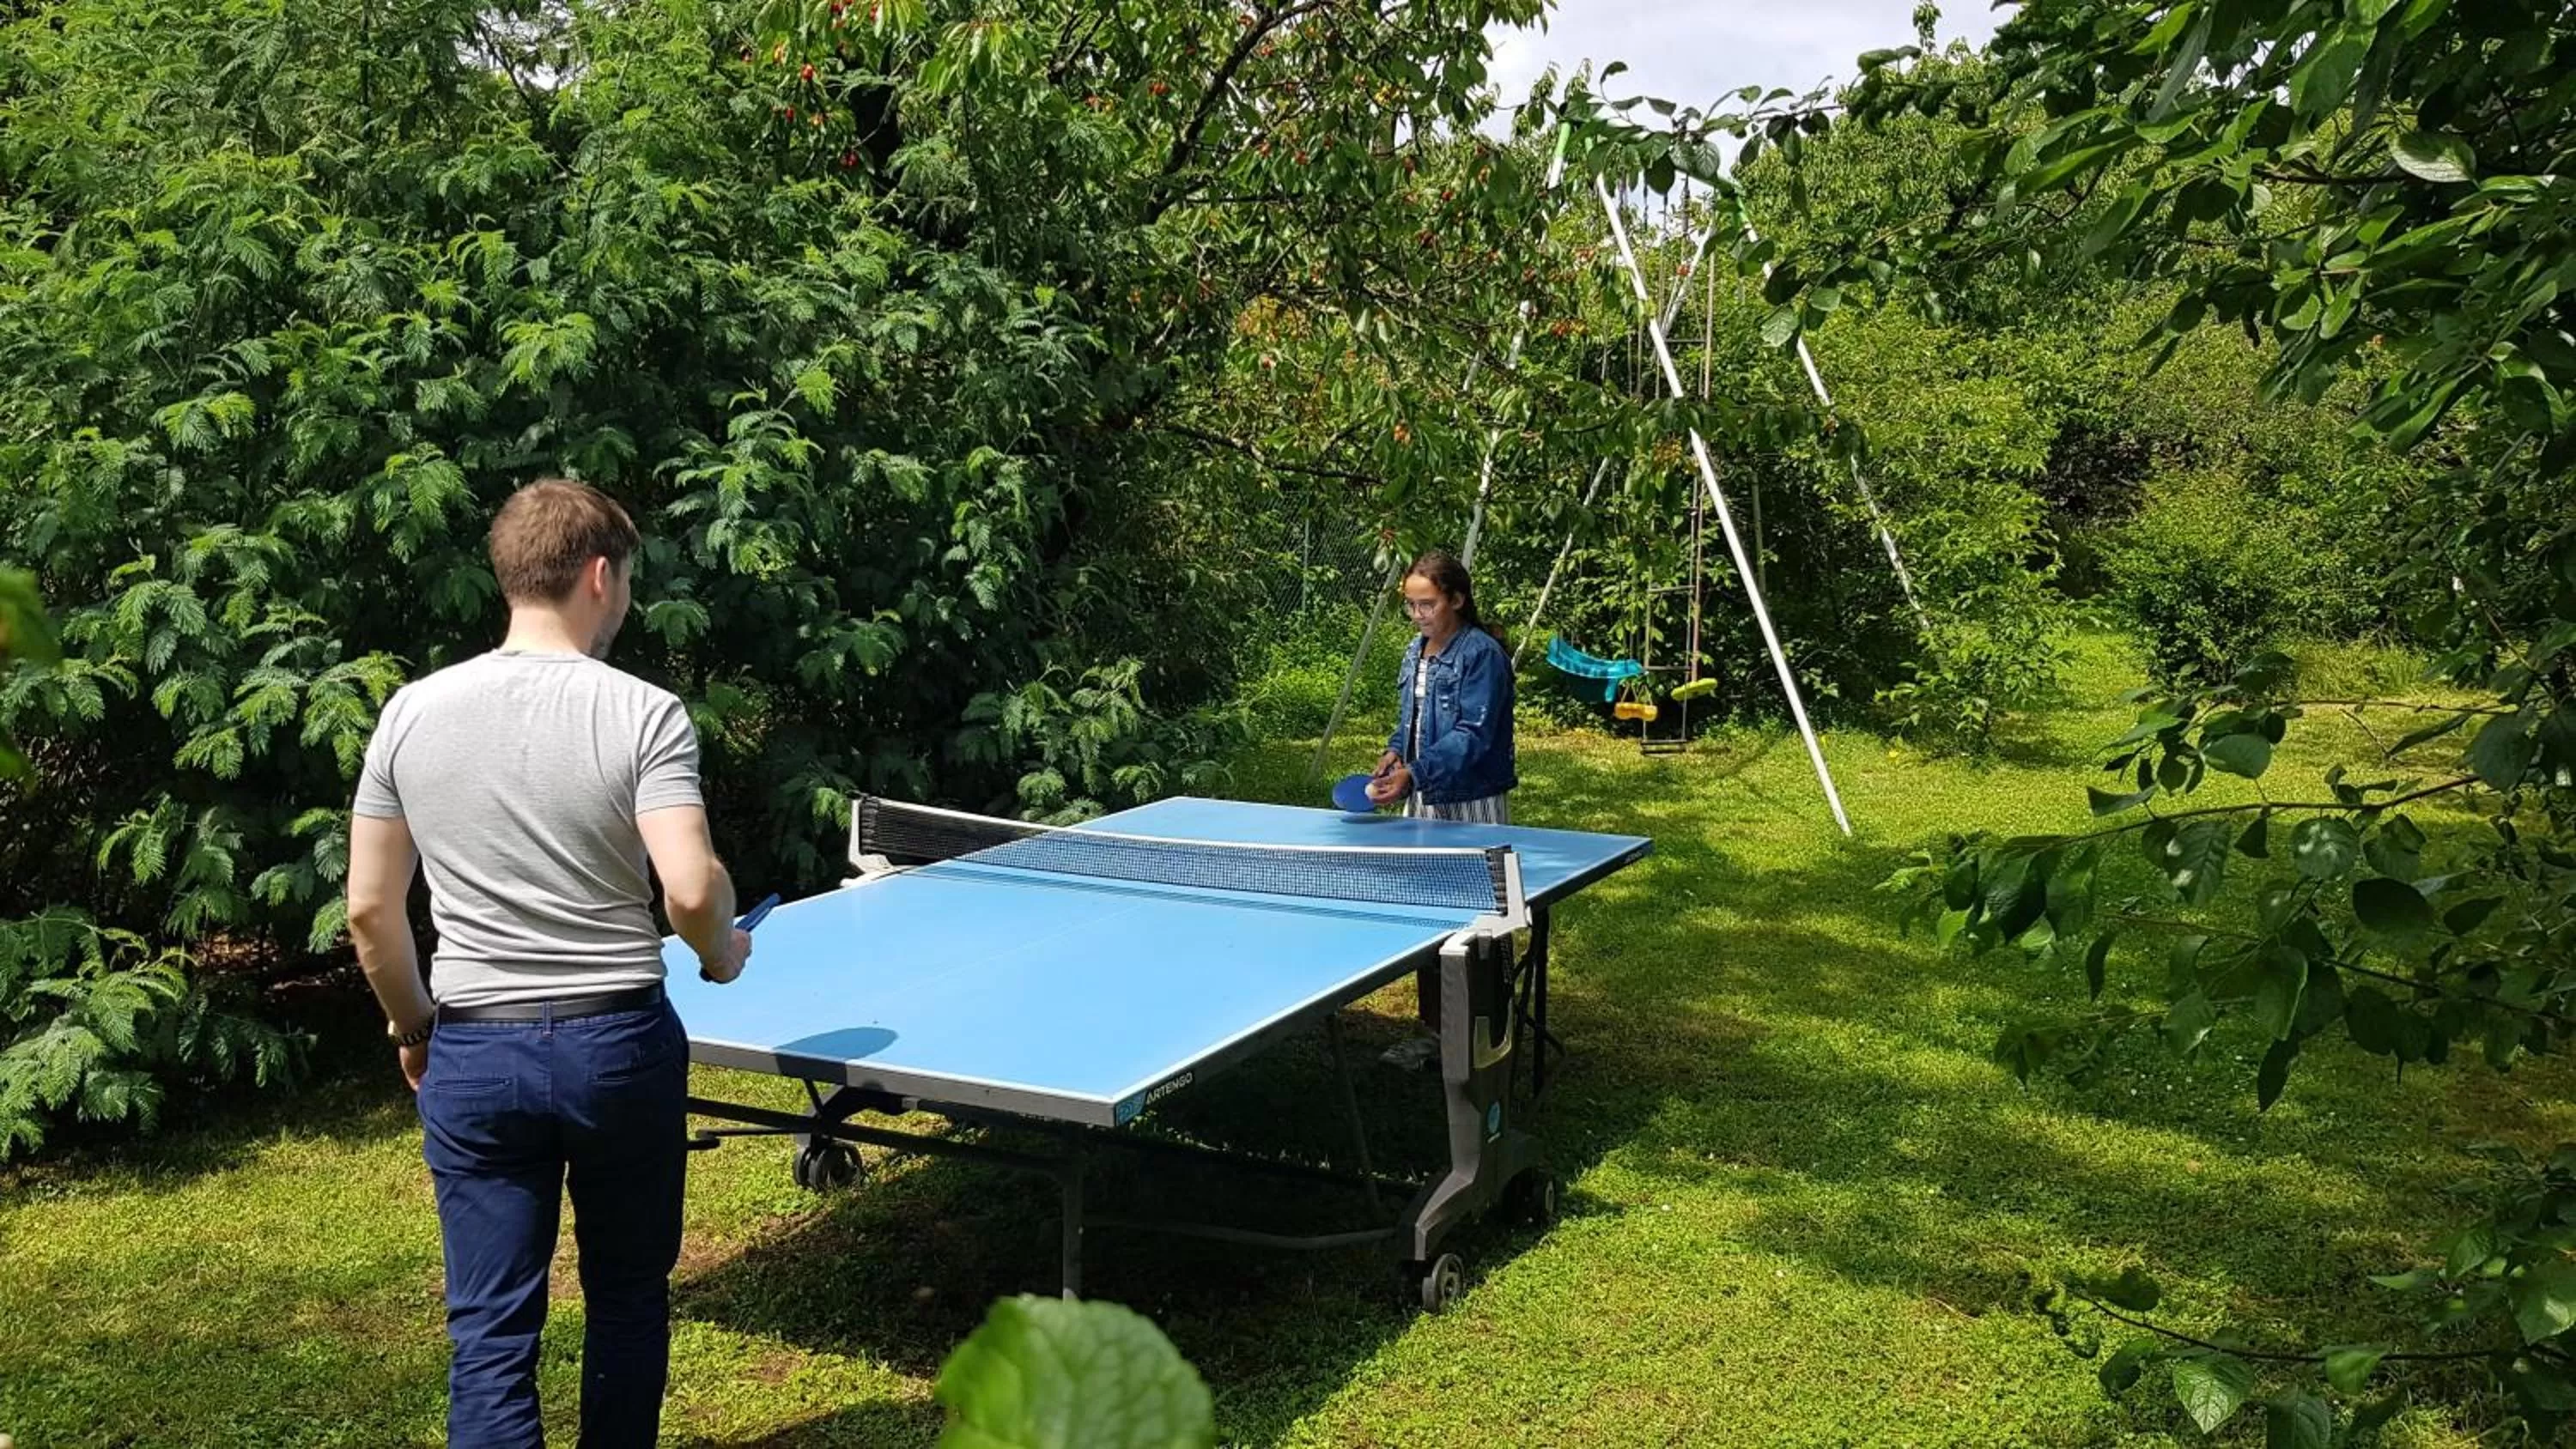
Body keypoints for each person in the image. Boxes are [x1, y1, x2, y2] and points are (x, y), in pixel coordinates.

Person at [345, 477, 753, 1448]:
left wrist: (413, 1027)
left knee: (488, 1329)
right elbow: (691, 891)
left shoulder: (410, 711)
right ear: (600, 575)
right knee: (624, 1297)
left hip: (475, 1048)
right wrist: (723, 950)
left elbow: (369, 907)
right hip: (617, 1043)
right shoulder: (646, 713)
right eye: (626, 583)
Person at [1368, 549, 1517, 1068]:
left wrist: (1415, 771)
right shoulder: (1416, 651)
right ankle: (1434, 1030)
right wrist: (1394, 755)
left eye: (1426, 604)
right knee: (1429, 919)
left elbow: (1473, 735)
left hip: (1471, 800)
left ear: (1456, 599)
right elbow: (1409, 720)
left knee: (1483, 923)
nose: (1418, 616)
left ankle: (1488, 1030)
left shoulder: (1482, 656)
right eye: (1410, 606)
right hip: (1423, 799)